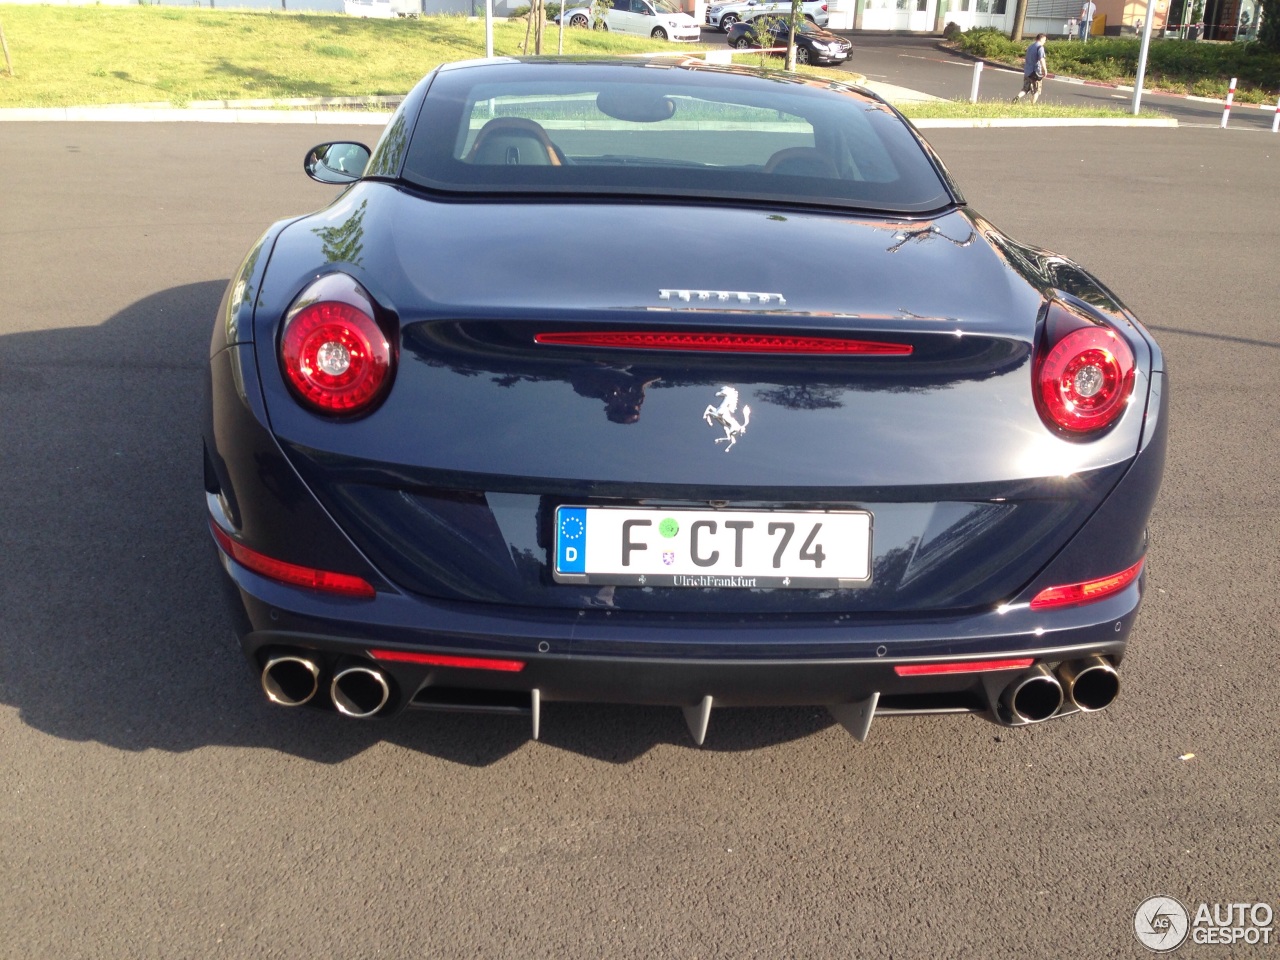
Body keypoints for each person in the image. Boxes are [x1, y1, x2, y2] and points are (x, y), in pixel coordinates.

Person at [1013, 34, 1048, 104]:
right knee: (1036, 90)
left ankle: (1017, 98)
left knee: (1025, 88)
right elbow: (1041, 59)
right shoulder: (1040, 47)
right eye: (1045, 40)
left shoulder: (1030, 46)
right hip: (1035, 72)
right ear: (1041, 39)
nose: (1045, 41)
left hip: (1027, 71)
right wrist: (1045, 69)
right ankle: (1032, 105)